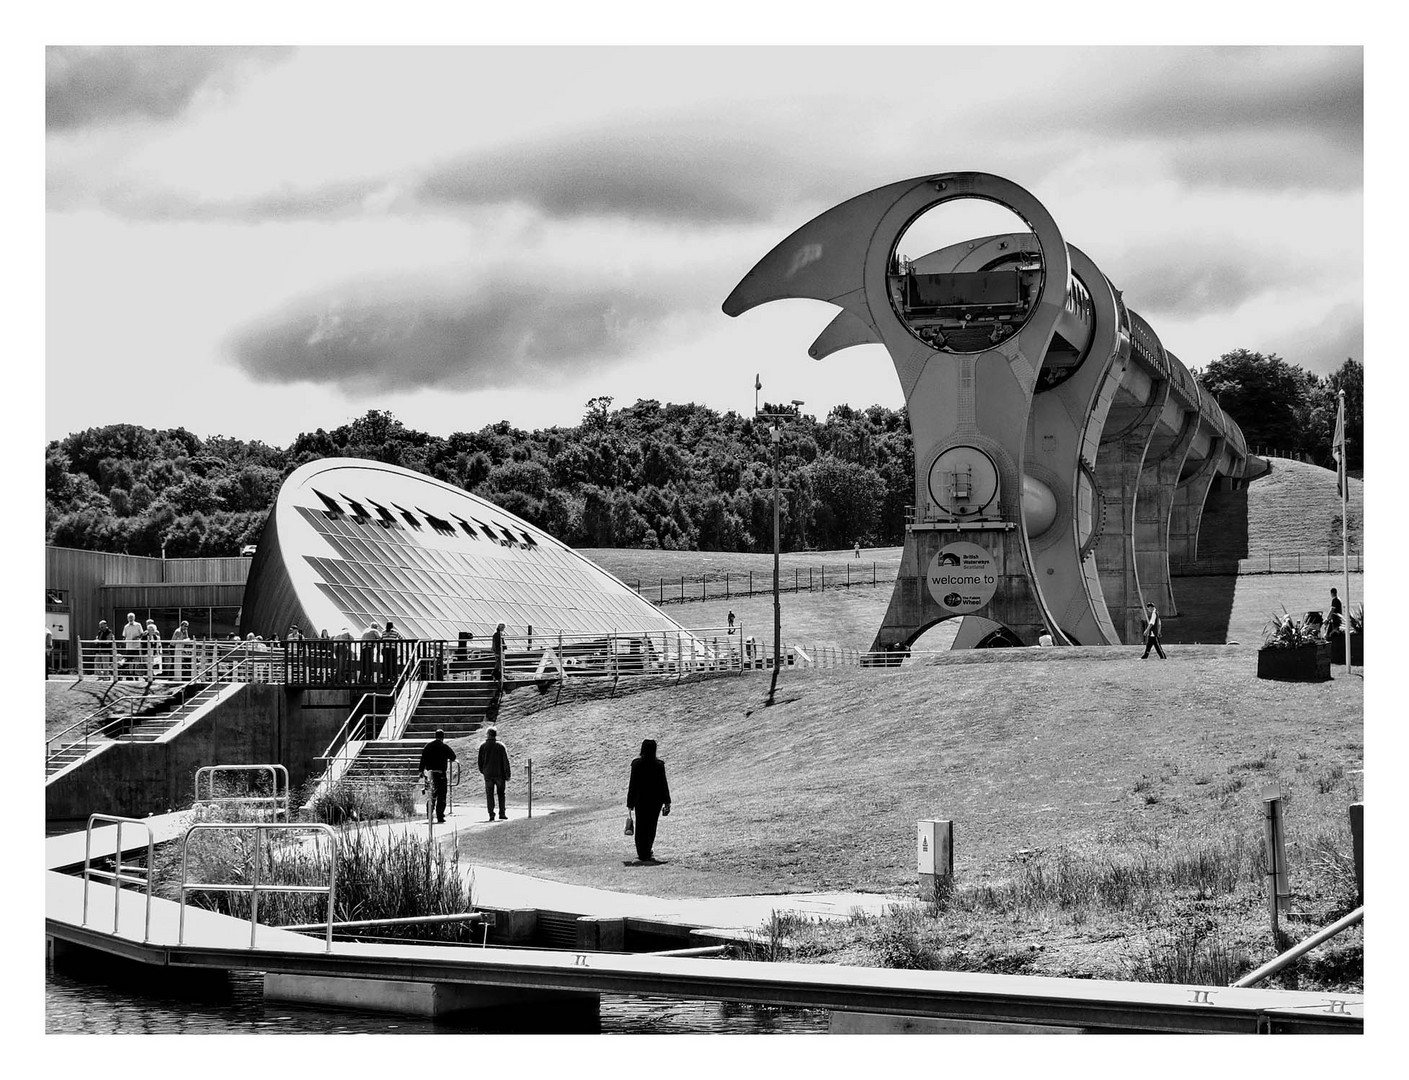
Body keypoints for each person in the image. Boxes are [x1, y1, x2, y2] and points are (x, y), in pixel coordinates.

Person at [626, 738, 671, 863]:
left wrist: (630, 803)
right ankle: (647, 851)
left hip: (640, 801)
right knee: (651, 826)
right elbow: (663, 784)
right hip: (655, 801)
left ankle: (642, 853)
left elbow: (632, 785)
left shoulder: (636, 764)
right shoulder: (659, 765)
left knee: (640, 827)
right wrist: (667, 802)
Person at [418, 728, 457, 824]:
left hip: (430, 774)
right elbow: (453, 756)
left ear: (435, 736)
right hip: (440, 774)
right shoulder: (444, 746)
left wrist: (421, 771)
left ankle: (429, 814)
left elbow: (423, 759)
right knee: (441, 795)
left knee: (431, 795)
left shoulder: (428, 746)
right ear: (443, 737)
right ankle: (440, 816)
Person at [477, 726, 511, 821]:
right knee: (501, 794)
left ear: (488, 734)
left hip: (488, 774)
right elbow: (505, 761)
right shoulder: (501, 746)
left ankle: (491, 814)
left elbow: (480, 762)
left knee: (489, 794)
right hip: (499, 774)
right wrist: (507, 773)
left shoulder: (483, 746)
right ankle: (502, 813)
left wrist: (483, 771)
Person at [121, 612, 143, 679]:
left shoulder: (138, 625)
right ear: (127, 618)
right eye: (129, 618)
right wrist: (124, 641)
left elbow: (142, 634)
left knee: (136, 660)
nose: (130, 619)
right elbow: (124, 636)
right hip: (129, 646)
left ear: (134, 618)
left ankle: (136, 674)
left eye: (131, 618)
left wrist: (137, 637)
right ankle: (130, 674)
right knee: (129, 660)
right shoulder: (126, 626)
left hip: (136, 646)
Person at [491, 622, 506, 687]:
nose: (503, 628)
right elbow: (496, 644)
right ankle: (496, 676)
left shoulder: (497, 634)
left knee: (499, 664)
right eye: (502, 627)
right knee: (499, 664)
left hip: (499, 651)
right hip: (499, 651)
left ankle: (496, 676)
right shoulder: (498, 635)